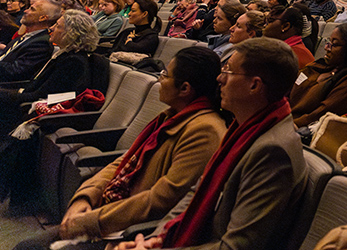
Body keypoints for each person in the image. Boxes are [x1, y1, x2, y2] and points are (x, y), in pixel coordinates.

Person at [15, 48, 227, 250]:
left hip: (131, 233)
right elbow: (125, 161)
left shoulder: (204, 130)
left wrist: (91, 221)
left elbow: (162, 200)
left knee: (29, 247)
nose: (160, 81)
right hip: (110, 211)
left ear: (185, 89)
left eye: (165, 75)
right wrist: (85, 197)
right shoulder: (172, 115)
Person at [111, 39, 307, 250]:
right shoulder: (245, 128)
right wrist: (156, 241)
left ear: (254, 85)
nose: (219, 78)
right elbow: (193, 196)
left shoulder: (272, 152)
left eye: (229, 71)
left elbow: (237, 246)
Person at [0, 9, 104, 135]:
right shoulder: (65, 55)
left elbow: (42, 95)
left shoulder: (73, 62)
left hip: (41, 112)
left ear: (71, 33)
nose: (51, 28)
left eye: (57, 26)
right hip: (29, 99)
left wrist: (4, 94)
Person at [289, 23, 347, 127]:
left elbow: (321, 115)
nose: (326, 48)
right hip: (285, 118)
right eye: (328, 42)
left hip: (299, 129)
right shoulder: (320, 66)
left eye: (334, 44)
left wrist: (284, 125)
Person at [0, 0, 57, 82]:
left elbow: (15, 71)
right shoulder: (25, 37)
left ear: (42, 18)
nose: (25, 11)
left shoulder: (42, 43)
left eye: (32, 9)